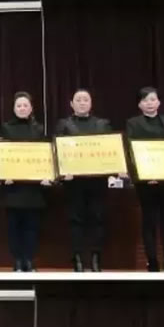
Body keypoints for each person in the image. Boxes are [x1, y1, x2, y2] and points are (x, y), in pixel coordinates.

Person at [55, 89, 113, 272]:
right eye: (78, 100)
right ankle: (77, 259)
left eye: (85, 99)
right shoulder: (64, 125)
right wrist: (63, 171)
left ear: (91, 103)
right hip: (74, 183)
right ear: (71, 104)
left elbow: (111, 150)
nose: (82, 103)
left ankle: (96, 258)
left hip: (97, 182)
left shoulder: (102, 124)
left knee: (98, 219)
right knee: (75, 220)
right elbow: (57, 150)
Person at [126, 87, 164, 272]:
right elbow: (131, 150)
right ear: (139, 104)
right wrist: (145, 175)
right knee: (149, 220)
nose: (149, 103)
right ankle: (152, 261)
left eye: (153, 99)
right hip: (146, 182)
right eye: (145, 100)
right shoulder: (133, 123)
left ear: (159, 102)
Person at [0, 92, 51, 271]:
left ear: (31, 108)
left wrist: (47, 174)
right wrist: (3, 173)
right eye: (19, 105)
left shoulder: (39, 129)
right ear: (14, 109)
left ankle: (29, 260)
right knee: (13, 227)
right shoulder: (6, 128)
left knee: (32, 226)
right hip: (13, 187)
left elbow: (45, 154)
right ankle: (17, 261)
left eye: (25, 105)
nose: (22, 108)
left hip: (33, 188)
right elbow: (1, 154)